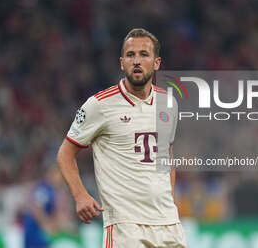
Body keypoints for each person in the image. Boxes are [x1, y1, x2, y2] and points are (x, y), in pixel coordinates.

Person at [57, 28, 187, 247]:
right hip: (125, 227)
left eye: (144, 55)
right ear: (121, 62)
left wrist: (170, 203)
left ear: (156, 63)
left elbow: (166, 157)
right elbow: (65, 153)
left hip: (168, 224)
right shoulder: (100, 104)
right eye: (130, 55)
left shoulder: (168, 103)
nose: (136, 61)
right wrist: (80, 195)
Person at [22, 164, 63, 248]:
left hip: (38, 230)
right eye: (58, 175)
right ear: (51, 174)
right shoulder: (43, 188)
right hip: (34, 230)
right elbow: (36, 209)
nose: (60, 178)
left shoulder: (51, 189)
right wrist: (46, 224)